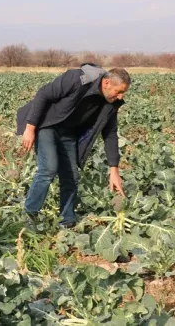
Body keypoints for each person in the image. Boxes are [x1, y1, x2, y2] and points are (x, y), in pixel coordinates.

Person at [16, 63, 131, 232]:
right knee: (48, 169)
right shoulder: (77, 79)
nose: (121, 97)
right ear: (106, 83)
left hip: (68, 131)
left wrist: (114, 170)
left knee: (72, 175)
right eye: (119, 91)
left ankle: (67, 220)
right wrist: (30, 128)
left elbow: (110, 134)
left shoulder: (110, 104)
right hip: (46, 124)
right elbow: (43, 94)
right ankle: (28, 215)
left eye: (123, 93)